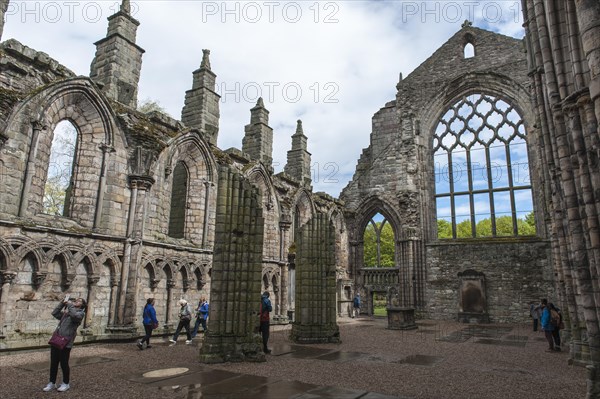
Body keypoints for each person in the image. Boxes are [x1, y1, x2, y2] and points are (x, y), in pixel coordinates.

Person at [42, 295, 86, 392]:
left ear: (82, 306)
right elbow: (55, 313)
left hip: (66, 342)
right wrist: (62, 303)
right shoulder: (66, 314)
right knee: (53, 363)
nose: (76, 301)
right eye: (75, 300)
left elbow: (74, 315)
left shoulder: (80, 314)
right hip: (56, 340)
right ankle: (52, 383)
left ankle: (66, 383)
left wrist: (70, 305)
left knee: (64, 364)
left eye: (79, 301)